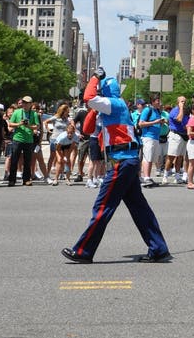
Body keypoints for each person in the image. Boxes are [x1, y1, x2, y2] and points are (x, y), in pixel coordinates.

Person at [62, 68, 171, 264]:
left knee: (102, 207)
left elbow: (88, 96)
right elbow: (87, 129)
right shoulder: (113, 107)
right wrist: (95, 109)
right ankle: (159, 249)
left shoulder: (114, 104)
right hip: (127, 161)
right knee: (140, 209)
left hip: (121, 162)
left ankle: (83, 251)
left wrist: (95, 76)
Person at [8, 96, 41, 186]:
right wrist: (19, 124)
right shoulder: (17, 112)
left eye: (27, 103)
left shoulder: (34, 114)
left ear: (30, 104)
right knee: (14, 160)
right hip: (17, 139)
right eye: (23, 103)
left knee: (27, 161)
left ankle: (26, 179)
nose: (24, 104)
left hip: (29, 140)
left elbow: (37, 126)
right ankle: (12, 179)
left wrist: (29, 126)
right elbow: (10, 124)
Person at [139, 94, 167, 188]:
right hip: (148, 137)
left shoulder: (157, 111)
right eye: (157, 100)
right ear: (153, 101)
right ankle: (146, 177)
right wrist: (155, 122)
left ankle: (148, 177)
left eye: (159, 100)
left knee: (152, 158)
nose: (159, 102)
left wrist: (161, 122)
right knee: (147, 157)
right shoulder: (147, 110)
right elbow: (141, 124)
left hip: (156, 137)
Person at [162, 96, 188, 185]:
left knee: (180, 157)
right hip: (175, 135)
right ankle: (165, 175)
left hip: (183, 136)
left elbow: (185, 123)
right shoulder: (174, 111)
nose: (184, 103)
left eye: (185, 101)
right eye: (182, 101)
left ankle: (177, 176)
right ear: (178, 102)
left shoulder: (186, 112)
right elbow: (179, 119)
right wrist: (180, 108)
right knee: (171, 156)